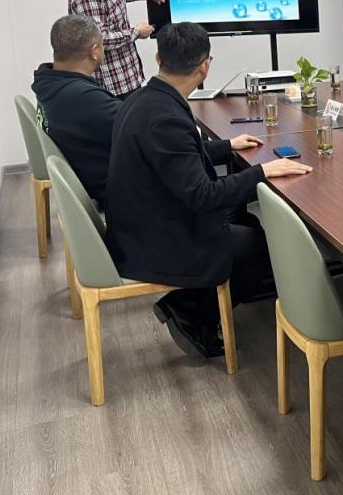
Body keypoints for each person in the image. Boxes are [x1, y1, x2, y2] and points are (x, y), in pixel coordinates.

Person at [104, 22, 311, 357]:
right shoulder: (165, 117)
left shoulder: (144, 98)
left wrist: (226, 146)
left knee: (249, 225)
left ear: (158, 58)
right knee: (259, 245)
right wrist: (262, 172)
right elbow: (202, 196)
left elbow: (176, 157)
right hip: (153, 238)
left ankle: (196, 303)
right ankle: (191, 311)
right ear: (204, 67)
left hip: (139, 220)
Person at [32, 15, 120, 208]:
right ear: (95, 51)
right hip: (117, 192)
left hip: (89, 178)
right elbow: (140, 126)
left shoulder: (47, 83)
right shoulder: (83, 98)